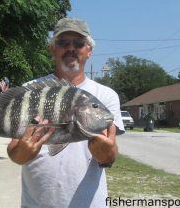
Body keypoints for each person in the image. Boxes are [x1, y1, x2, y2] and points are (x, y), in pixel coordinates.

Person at [7, 18, 125, 208]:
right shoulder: (31, 89)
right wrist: (22, 152)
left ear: (89, 50)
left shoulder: (105, 95)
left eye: (78, 43)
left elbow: (109, 158)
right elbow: (15, 154)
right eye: (63, 43)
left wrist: (106, 154)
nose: (71, 48)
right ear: (53, 49)